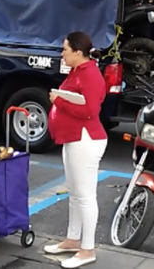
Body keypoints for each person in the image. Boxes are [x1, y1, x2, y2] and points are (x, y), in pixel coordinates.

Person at [43, 32, 108, 269]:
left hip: (85, 139)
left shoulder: (89, 74)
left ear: (77, 52)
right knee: (75, 193)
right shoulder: (79, 71)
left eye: (65, 49)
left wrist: (58, 101)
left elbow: (90, 110)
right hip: (74, 138)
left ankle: (87, 249)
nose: (62, 53)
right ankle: (73, 239)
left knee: (85, 196)